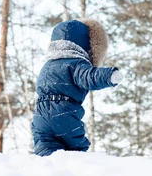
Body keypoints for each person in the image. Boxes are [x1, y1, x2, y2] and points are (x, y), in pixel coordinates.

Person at [31, 19, 122, 155]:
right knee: (77, 148)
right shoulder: (75, 64)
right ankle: (77, 170)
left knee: (46, 149)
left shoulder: (46, 66)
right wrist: (109, 75)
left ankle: (48, 172)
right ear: (85, 45)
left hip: (40, 116)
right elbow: (89, 76)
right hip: (63, 113)